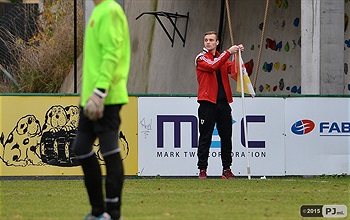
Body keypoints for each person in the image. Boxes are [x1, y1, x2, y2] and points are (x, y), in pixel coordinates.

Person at [72, 0, 130, 219]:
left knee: (109, 150)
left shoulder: (111, 10)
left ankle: (112, 213)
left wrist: (100, 90)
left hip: (105, 97)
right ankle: (98, 211)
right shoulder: (98, 11)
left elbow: (112, 53)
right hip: (90, 99)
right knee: (80, 148)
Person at [194, 31, 244, 179]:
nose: (208, 42)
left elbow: (233, 71)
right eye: (206, 40)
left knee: (226, 137)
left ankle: (226, 168)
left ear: (217, 42)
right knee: (205, 137)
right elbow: (213, 66)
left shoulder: (222, 58)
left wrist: (237, 55)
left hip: (223, 103)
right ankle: (202, 169)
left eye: (211, 40)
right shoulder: (201, 58)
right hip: (207, 103)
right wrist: (229, 52)